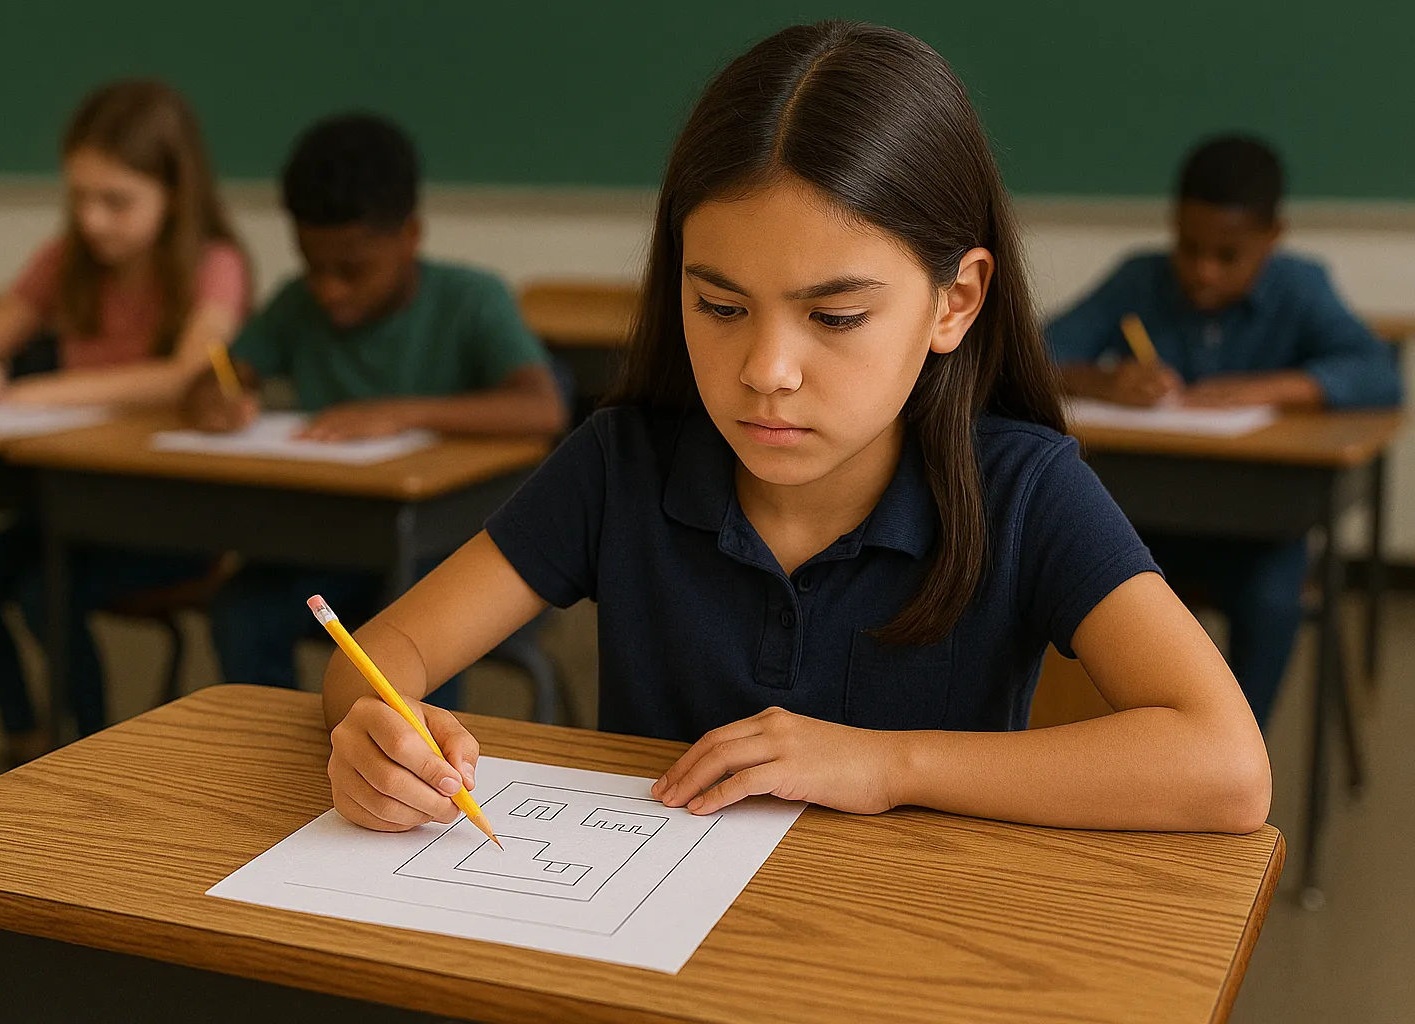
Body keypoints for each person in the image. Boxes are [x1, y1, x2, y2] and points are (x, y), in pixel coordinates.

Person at [320, 22, 1271, 836]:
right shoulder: (623, 464)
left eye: (836, 316)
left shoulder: (1022, 489)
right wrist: (377, 728)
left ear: (956, 301)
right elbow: (380, 655)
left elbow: (1226, 767)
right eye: (720, 306)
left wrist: (886, 767)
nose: (766, 372)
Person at [186, 114, 565, 697]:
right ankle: (269, 773)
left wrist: (403, 412)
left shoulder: (472, 301)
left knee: (419, 627)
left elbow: (542, 409)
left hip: (461, 557)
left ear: (410, 235)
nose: (329, 289)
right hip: (341, 551)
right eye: (312, 267)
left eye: (352, 270)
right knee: (243, 609)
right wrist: (217, 396)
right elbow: (220, 377)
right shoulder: (296, 306)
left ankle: (425, 777)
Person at [1047, 135, 1401, 722]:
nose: (1202, 271)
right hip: (1144, 525)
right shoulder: (1142, 279)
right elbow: (1034, 349)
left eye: (1228, 256)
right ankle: (1107, 752)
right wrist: (1097, 380)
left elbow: (1377, 374)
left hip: (1255, 532)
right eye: (1188, 248)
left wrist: (1276, 387)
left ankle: (1239, 758)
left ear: (1272, 238)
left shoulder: (1300, 287)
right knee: (1066, 569)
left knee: (1271, 596)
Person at [0, 80, 250, 758]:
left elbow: (186, 372)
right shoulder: (66, 262)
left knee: (40, 591)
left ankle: (87, 753)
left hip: (170, 516)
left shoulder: (215, 264)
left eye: (117, 201)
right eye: (79, 196)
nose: (93, 219)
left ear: (175, 191)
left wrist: (38, 392)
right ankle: (24, 737)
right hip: (69, 504)